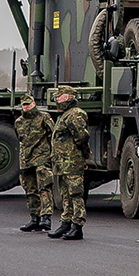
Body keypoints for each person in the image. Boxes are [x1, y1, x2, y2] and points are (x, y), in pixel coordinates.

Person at [47, 87, 89, 241]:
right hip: (62, 161)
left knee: (75, 193)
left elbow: (82, 137)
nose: (57, 99)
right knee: (65, 192)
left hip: (72, 160)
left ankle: (77, 226)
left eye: (60, 96)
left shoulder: (75, 114)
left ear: (68, 97)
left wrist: (82, 154)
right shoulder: (64, 115)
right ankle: (66, 222)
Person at [13, 93, 55, 232]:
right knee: (30, 189)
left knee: (44, 187)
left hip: (42, 158)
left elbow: (52, 136)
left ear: (34, 104)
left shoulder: (44, 118)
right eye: (24, 105)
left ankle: (46, 217)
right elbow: (20, 139)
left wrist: (52, 155)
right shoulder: (19, 121)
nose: (26, 108)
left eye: (28, 105)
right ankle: (34, 218)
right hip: (26, 160)